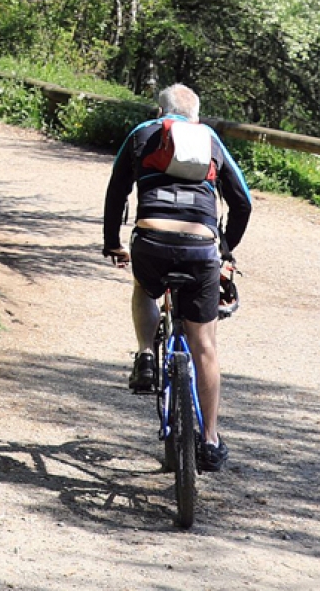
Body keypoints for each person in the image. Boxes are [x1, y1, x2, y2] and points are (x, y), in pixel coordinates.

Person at [101, 84, 252, 472]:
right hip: (201, 247)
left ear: (159, 110)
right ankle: (211, 440)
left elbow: (116, 191)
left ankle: (146, 355)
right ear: (195, 116)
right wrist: (225, 249)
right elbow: (243, 202)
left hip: (151, 239)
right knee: (204, 345)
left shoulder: (142, 133)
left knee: (144, 288)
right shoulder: (209, 139)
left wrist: (112, 243)